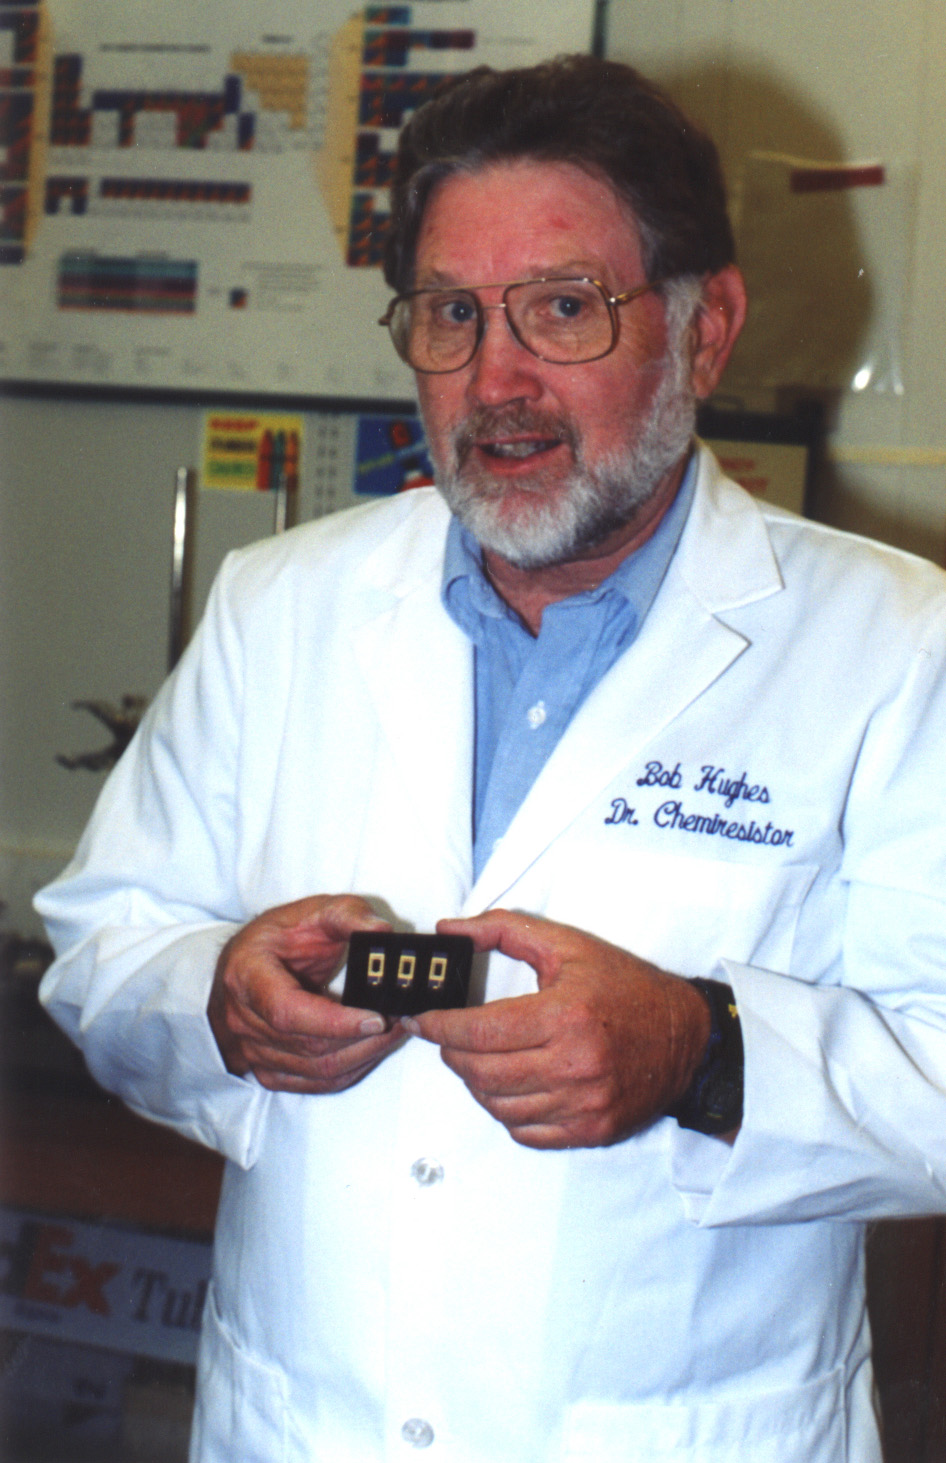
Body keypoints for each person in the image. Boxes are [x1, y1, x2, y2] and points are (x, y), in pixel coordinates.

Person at [36, 55, 946, 1463]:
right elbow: (104, 947)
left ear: (704, 331)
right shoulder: (282, 602)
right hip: (303, 1426)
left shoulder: (895, 644)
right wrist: (219, 1001)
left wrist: (700, 1055)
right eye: (451, 313)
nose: (495, 380)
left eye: (564, 308)